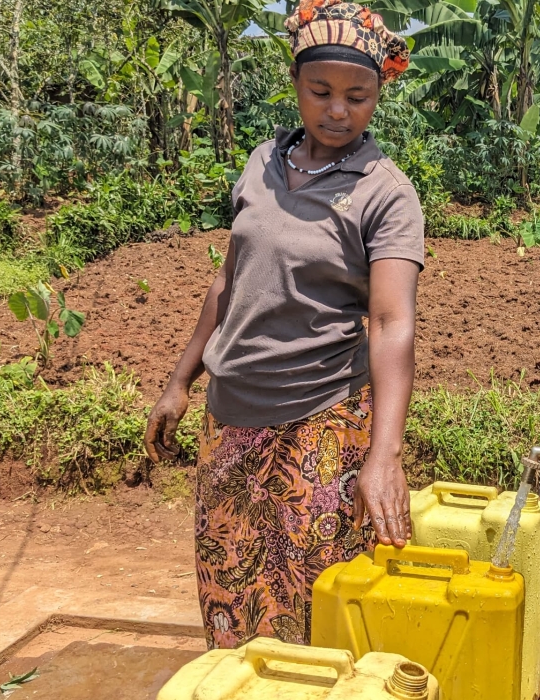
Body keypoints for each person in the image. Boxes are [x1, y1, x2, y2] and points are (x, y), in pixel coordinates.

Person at [143, 0, 421, 649]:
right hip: (230, 418)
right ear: (295, 84)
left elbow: (391, 321)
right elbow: (228, 281)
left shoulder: (386, 192)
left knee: (317, 609)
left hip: (320, 427)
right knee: (230, 596)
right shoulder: (262, 163)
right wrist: (181, 380)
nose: (337, 110)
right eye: (320, 91)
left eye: (358, 95)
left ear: (379, 94)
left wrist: (384, 455)